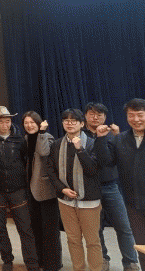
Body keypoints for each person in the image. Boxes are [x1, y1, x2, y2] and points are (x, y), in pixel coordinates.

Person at [82, 102, 138, 271]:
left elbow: (124, 158)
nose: (95, 117)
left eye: (99, 115)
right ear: (85, 116)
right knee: (96, 229)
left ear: (105, 117)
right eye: (92, 114)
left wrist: (118, 137)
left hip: (111, 186)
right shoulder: (80, 134)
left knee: (124, 227)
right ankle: (103, 259)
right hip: (89, 187)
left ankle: (130, 262)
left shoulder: (113, 134)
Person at [48, 108, 102, 271]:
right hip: (66, 201)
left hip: (89, 202)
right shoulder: (57, 144)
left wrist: (80, 149)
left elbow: (92, 171)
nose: (69, 124)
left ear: (82, 124)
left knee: (92, 241)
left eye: (73, 121)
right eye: (66, 120)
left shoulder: (92, 143)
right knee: (73, 240)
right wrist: (62, 189)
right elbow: (50, 170)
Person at [0, 106, 38, 271]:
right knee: (0, 228)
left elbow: (26, 160)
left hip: (18, 189)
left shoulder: (20, 139)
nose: (5, 124)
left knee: (25, 228)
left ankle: (32, 263)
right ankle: (7, 260)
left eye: (7, 121)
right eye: (1, 121)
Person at [95, 98, 145, 270]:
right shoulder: (120, 139)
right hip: (133, 205)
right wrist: (101, 139)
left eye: (140, 115)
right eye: (131, 115)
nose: (136, 119)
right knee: (141, 246)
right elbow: (106, 162)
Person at [22, 111, 62, 271]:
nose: (29, 125)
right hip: (31, 190)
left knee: (50, 230)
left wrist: (42, 133)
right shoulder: (26, 139)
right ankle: (39, 260)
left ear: (39, 123)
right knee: (36, 228)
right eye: (26, 123)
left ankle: (53, 264)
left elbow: (44, 152)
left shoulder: (47, 137)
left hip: (46, 191)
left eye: (32, 122)